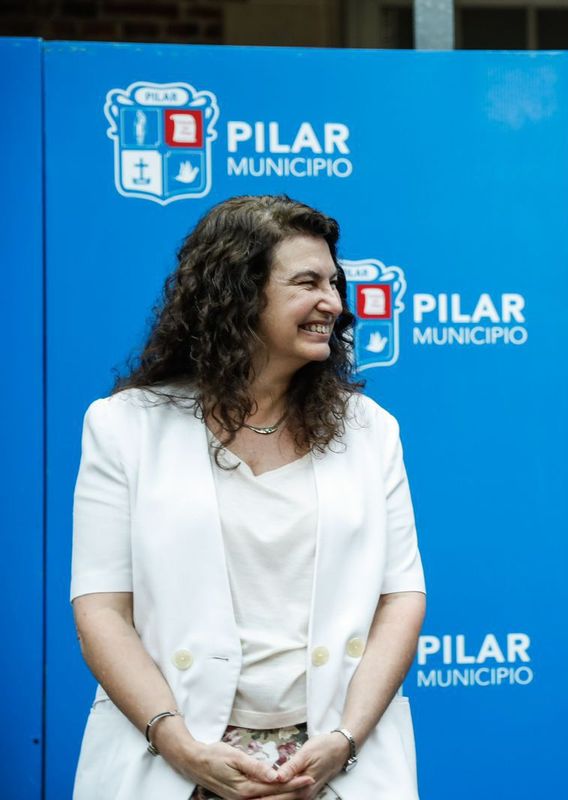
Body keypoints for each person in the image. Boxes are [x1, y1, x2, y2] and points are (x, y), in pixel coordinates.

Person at [71, 195, 426, 799]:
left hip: (336, 769)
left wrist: (343, 739)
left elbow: (402, 598)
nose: (333, 303)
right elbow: (102, 609)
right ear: (237, 292)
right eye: (307, 282)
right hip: (171, 764)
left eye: (335, 283)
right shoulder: (124, 426)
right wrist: (179, 744)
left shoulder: (371, 429)